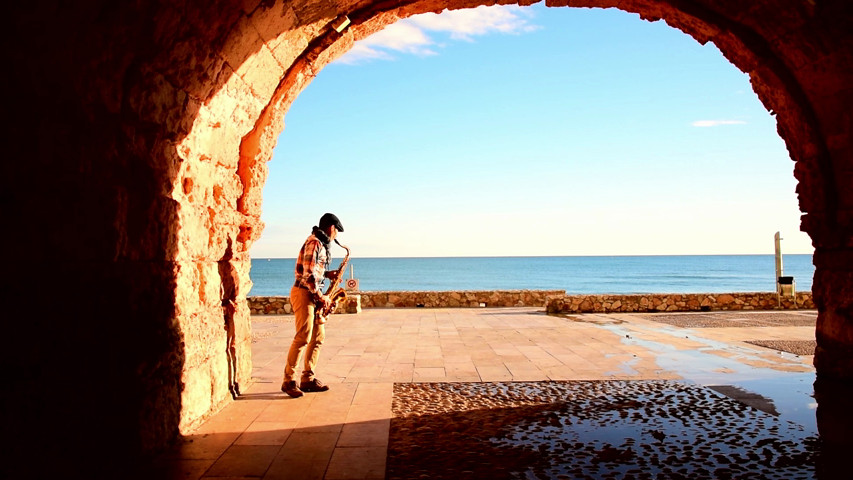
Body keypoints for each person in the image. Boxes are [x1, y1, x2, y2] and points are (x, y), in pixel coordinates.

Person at [281, 213, 344, 398]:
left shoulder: (321, 244)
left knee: (318, 337)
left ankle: (307, 378)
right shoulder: (315, 242)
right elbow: (308, 275)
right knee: (303, 337)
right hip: (304, 293)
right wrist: (321, 296)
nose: (336, 236)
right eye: (337, 231)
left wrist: (327, 274)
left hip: (313, 295)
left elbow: (315, 271)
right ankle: (288, 380)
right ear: (332, 228)